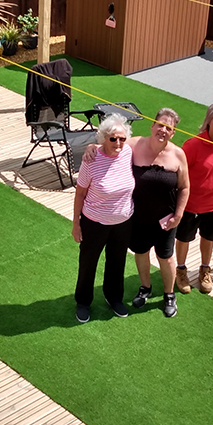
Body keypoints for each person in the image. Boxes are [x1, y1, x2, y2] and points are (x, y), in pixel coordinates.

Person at [84, 109, 191, 317]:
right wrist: (92, 146)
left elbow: (185, 187)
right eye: (160, 124)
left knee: (165, 256)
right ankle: (145, 288)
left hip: (165, 219)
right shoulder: (135, 145)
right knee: (141, 253)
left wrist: (178, 215)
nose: (163, 130)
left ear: (173, 133)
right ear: (152, 125)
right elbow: (112, 144)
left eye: (169, 128)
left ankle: (169, 294)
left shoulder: (178, 155)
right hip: (138, 216)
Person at [72, 113, 135, 323]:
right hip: (94, 223)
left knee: (117, 263)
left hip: (123, 223)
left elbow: (146, 143)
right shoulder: (91, 160)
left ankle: (114, 297)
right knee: (88, 263)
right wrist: (76, 224)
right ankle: (83, 302)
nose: (118, 143)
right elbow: (80, 193)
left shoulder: (128, 152)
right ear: (104, 138)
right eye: (113, 138)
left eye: (122, 138)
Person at [174, 103, 213, 295]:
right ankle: (181, 271)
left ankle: (204, 270)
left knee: (208, 238)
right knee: (184, 238)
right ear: (208, 121)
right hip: (191, 205)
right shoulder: (193, 145)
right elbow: (180, 173)